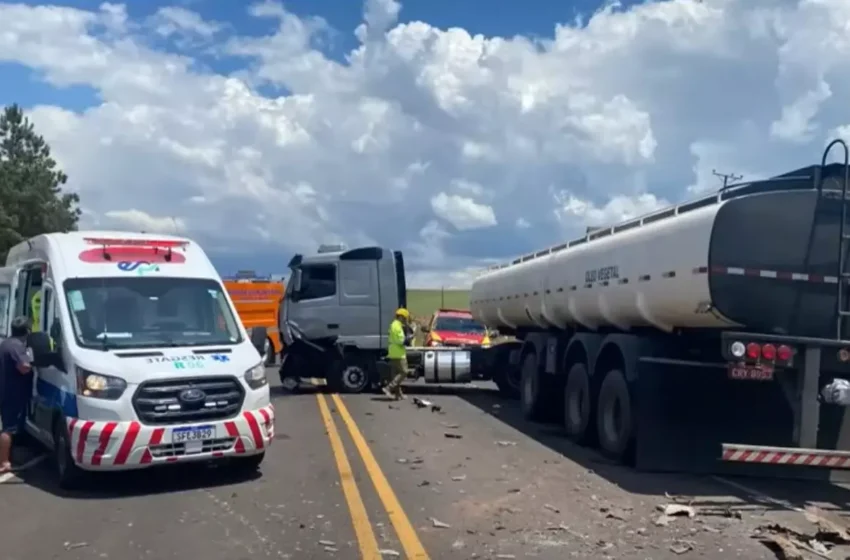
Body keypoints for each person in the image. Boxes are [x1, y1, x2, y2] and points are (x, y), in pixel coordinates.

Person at [0, 316, 34, 473]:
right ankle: (4, 462)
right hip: (11, 393)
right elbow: (23, 367)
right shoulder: (17, 347)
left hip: (5, 390)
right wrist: (33, 363)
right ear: (27, 331)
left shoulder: (6, 343)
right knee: (8, 428)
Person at [384, 308, 411, 400]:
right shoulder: (397, 326)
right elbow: (400, 340)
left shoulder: (394, 324)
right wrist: (408, 338)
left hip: (393, 352)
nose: (406, 320)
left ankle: (399, 394)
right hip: (398, 353)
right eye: (405, 318)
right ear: (401, 317)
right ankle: (389, 388)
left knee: (396, 374)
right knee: (404, 372)